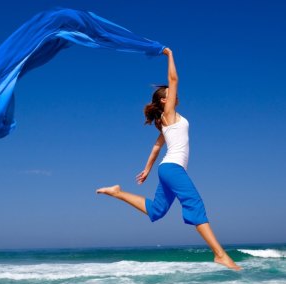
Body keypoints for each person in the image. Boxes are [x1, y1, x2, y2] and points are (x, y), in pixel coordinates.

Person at [96, 48, 241, 271]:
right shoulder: (169, 113)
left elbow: (156, 147)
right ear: (165, 100)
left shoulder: (167, 122)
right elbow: (173, 78)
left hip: (167, 169)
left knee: (156, 211)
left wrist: (146, 170)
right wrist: (169, 54)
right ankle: (220, 254)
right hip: (173, 168)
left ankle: (117, 192)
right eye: (169, 94)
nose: (173, 94)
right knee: (194, 204)